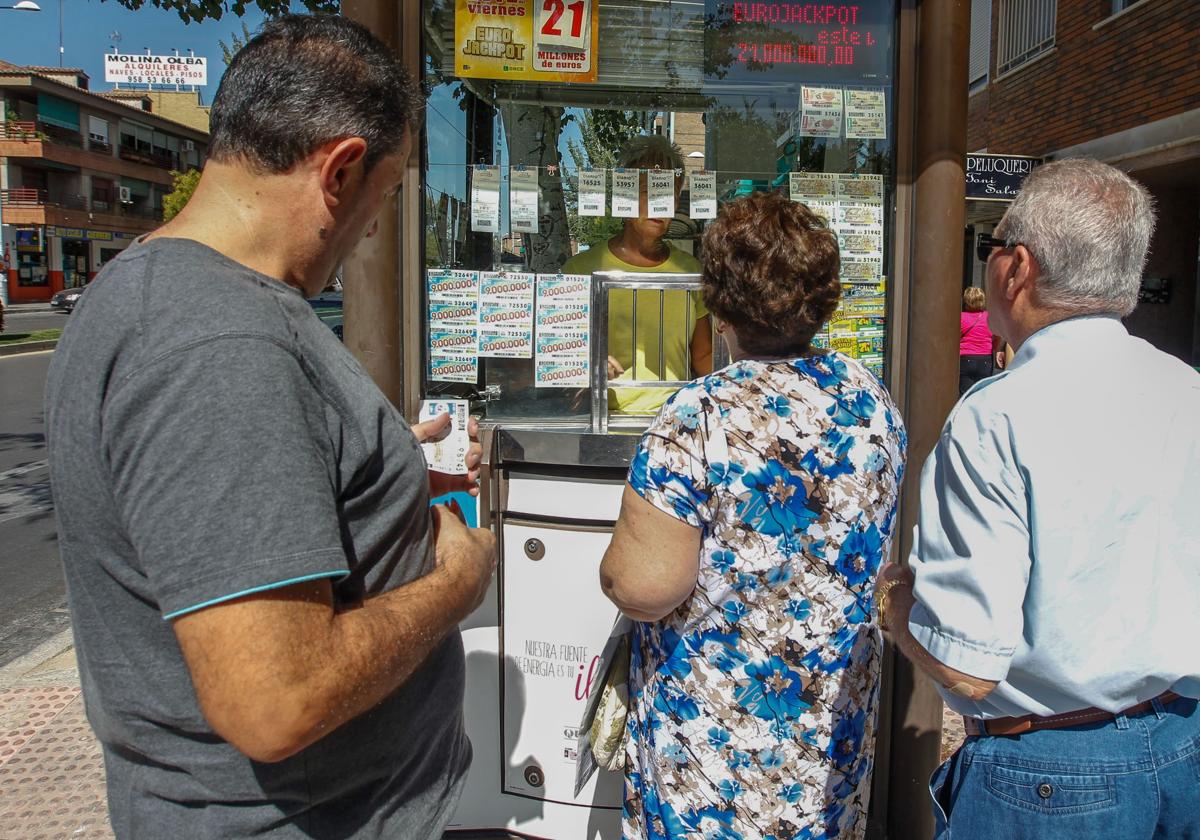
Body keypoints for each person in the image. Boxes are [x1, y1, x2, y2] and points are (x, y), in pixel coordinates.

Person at [44, 16, 496, 839]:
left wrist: (385, 474)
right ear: (342, 171)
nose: (372, 228)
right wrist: (457, 583)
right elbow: (276, 701)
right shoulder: (216, 344)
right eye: (388, 196)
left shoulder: (165, 297)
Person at [875, 158, 1200, 837]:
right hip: (1183, 748)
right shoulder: (1185, 389)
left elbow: (967, 667)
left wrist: (897, 610)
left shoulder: (995, 417)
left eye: (991, 244)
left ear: (1015, 267)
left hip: (1049, 774)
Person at [600, 192, 907, 840]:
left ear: (718, 300)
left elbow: (642, 587)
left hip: (720, 752)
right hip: (830, 737)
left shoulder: (698, 416)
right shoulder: (868, 395)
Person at [562, 135, 712, 415]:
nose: (662, 201)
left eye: (670, 191)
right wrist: (587, 362)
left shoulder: (692, 272)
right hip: (603, 419)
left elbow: (703, 356)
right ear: (625, 193)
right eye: (650, 190)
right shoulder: (580, 270)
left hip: (676, 419)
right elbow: (559, 354)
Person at [958, 286, 1002, 395]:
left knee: (965, 395)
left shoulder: (961, 317)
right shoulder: (989, 317)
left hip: (965, 358)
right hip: (985, 359)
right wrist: (995, 348)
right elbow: (998, 336)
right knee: (982, 394)